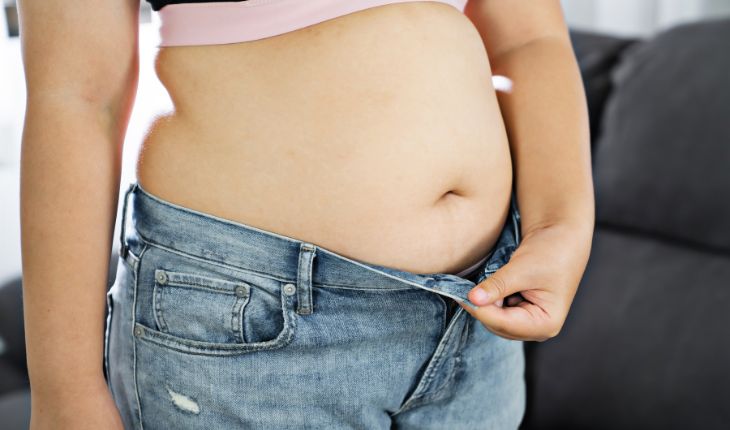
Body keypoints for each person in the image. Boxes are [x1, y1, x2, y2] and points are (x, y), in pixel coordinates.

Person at [17, 0, 595, 428]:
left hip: (479, 316)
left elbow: (528, 37)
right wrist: (64, 390)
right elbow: (76, 97)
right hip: (251, 325)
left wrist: (560, 225)